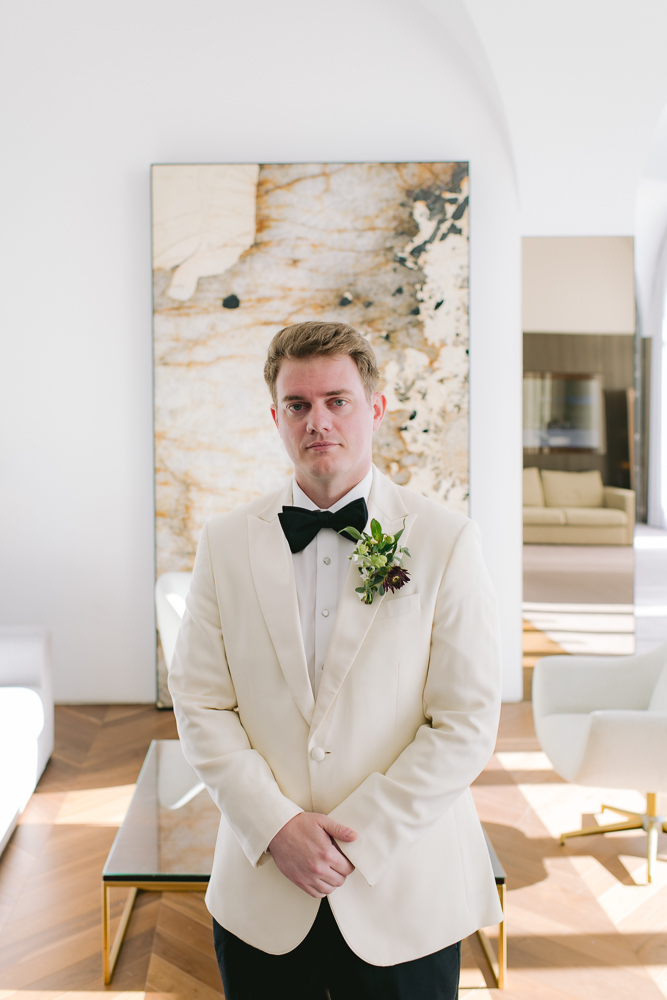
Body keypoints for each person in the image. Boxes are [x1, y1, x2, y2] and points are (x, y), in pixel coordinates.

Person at [168, 321, 502, 1000]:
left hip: (405, 893)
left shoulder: (445, 540)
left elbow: (464, 720)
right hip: (262, 894)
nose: (317, 420)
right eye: (298, 405)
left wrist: (358, 837)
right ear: (275, 416)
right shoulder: (225, 543)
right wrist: (276, 826)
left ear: (374, 408)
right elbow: (201, 703)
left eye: (336, 400)